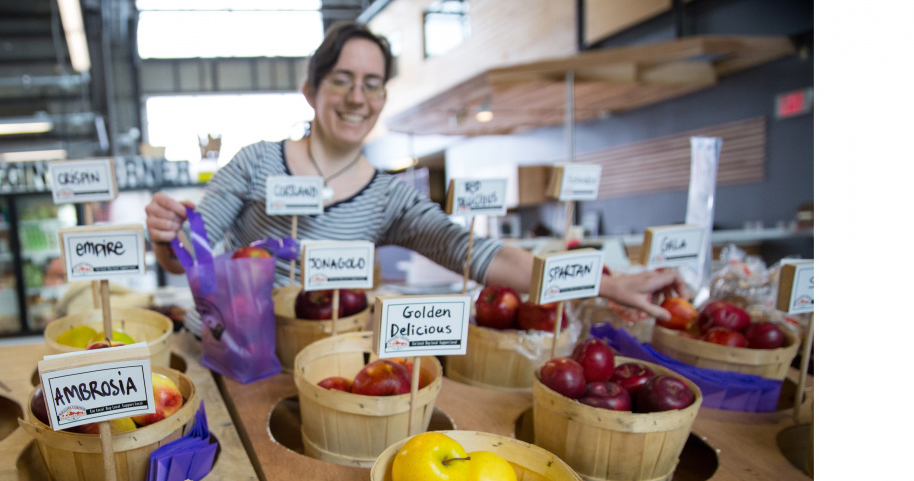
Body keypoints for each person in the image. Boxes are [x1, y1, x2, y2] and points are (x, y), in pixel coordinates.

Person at [145, 22, 683, 320]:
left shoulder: (389, 199)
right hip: (240, 352)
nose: (358, 97)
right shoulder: (256, 162)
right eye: (342, 80)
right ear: (311, 91)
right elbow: (185, 257)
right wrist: (168, 235)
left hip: (327, 364)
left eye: (373, 83)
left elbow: (483, 256)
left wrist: (606, 284)